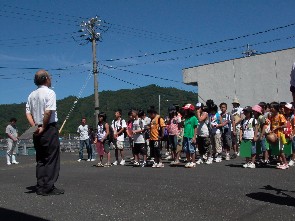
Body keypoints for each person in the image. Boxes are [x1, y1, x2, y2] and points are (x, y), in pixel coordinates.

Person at [26, 70, 64, 196]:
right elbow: (48, 112)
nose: (51, 78)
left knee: (41, 158)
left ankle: (40, 184)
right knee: (51, 158)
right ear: (46, 78)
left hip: (36, 128)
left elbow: (28, 113)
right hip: (48, 128)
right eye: (50, 76)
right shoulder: (50, 92)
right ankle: (48, 187)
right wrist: (43, 127)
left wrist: (35, 127)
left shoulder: (31, 94)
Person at [268, 102, 288, 169]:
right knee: (277, 150)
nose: (271, 108)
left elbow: (286, 125)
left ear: (276, 108)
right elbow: (271, 126)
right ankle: (282, 163)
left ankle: (285, 164)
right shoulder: (272, 116)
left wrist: (278, 127)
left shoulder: (280, 116)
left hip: (280, 135)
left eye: (272, 107)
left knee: (280, 150)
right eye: (270, 107)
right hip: (274, 135)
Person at [182, 104, 198, 168]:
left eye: (186, 110)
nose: (185, 111)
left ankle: (193, 162)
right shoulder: (186, 118)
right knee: (186, 149)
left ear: (190, 110)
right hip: (185, 135)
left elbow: (195, 127)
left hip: (191, 136)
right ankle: (188, 161)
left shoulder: (194, 118)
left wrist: (194, 136)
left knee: (192, 149)